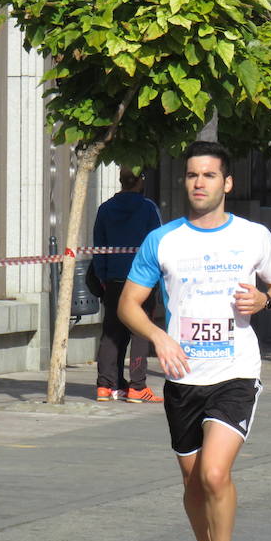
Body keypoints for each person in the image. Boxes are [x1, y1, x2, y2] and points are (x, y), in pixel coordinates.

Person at [118, 140, 271, 541]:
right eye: (192, 175)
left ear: (226, 183)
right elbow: (128, 304)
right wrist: (159, 337)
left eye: (209, 175)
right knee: (195, 485)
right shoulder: (164, 240)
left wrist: (265, 302)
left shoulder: (253, 236)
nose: (199, 183)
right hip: (182, 377)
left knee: (216, 473)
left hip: (235, 371)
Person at [92, 168, 163, 403]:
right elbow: (157, 244)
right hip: (141, 281)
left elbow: (98, 247)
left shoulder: (105, 209)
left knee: (111, 332)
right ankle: (137, 386)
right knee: (140, 332)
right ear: (140, 180)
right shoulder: (148, 208)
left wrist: (103, 277)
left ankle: (106, 385)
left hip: (113, 280)